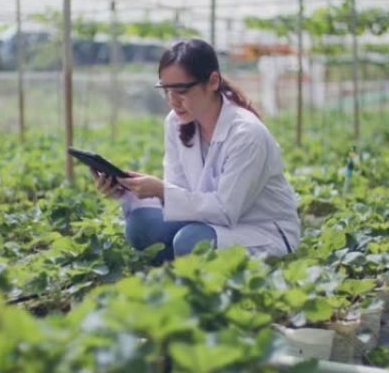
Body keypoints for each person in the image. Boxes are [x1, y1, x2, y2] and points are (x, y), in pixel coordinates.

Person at [91, 38, 300, 263]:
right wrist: (128, 190)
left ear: (212, 81)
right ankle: (188, 260)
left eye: (181, 91)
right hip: (206, 222)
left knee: (190, 243)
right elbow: (180, 192)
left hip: (259, 229)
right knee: (141, 225)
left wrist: (161, 191)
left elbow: (226, 211)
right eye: (166, 91)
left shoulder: (247, 134)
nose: (173, 101)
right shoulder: (176, 122)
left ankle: (187, 259)